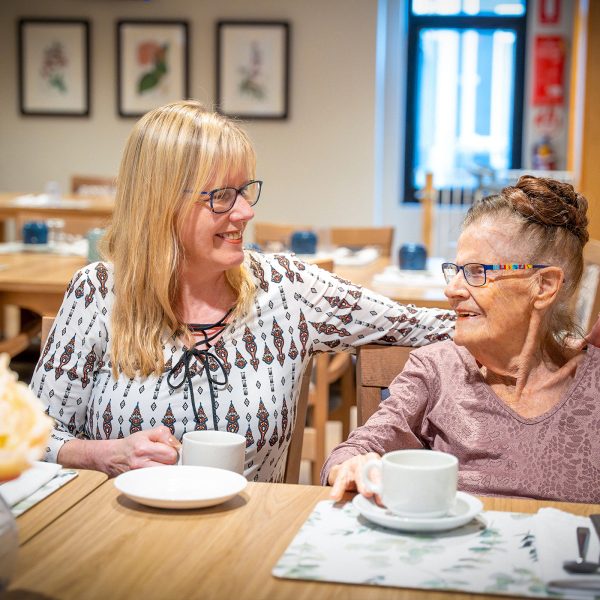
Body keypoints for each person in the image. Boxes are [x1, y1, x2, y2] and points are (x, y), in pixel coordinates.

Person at [31, 100, 455, 482]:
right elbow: (33, 441)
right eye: (222, 196)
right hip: (119, 536)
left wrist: (503, 288)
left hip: (250, 538)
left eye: (246, 190)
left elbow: (422, 326)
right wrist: (106, 454)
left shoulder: (288, 289)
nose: (246, 212)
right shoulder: (99, 293)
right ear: (160, 204)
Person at [323, 176, 600, 503]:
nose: (451, 290)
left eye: (476, 272)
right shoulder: (437, 369)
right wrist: (352, 465)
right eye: (455, 270)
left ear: (544, 286)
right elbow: (354, 451)